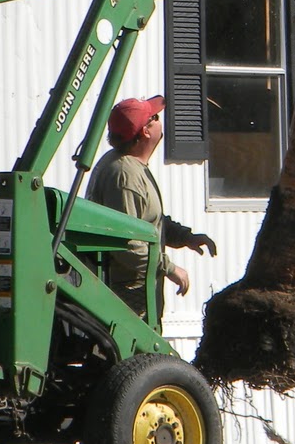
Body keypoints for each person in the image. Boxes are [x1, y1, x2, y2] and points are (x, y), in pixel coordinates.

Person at [86, 94, 216, 316]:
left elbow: (145, 221)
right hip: (128, 302)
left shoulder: (129, 166)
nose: (160, 120)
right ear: (145, 131)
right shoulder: (124, 176)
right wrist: (169, 268)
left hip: (137, 297)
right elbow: (127, 243)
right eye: (154, 117)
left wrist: (185, 237)